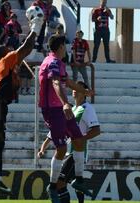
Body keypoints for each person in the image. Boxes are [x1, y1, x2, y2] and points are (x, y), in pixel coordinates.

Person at [0, 7, 44, 194]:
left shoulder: (7, 63)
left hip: (0, 104)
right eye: (7, 48)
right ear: (2, 53)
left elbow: (24, 51)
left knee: (0, 140)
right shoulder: (5, 60)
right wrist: (36, 26)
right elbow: (25, 48)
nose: (10, 49)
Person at [38, 34, 93, 203]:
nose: (67, 48)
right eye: (65, 45)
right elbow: (56, 83)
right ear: (61, 46)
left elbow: (67, 82)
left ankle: (78, 180)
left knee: (78, 140)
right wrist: (65, 103)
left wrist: (85, 91)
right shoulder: (53, 62)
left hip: (61, 108)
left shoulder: (58, 62)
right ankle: (52, 187)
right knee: (61, 149)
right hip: (53, 110)